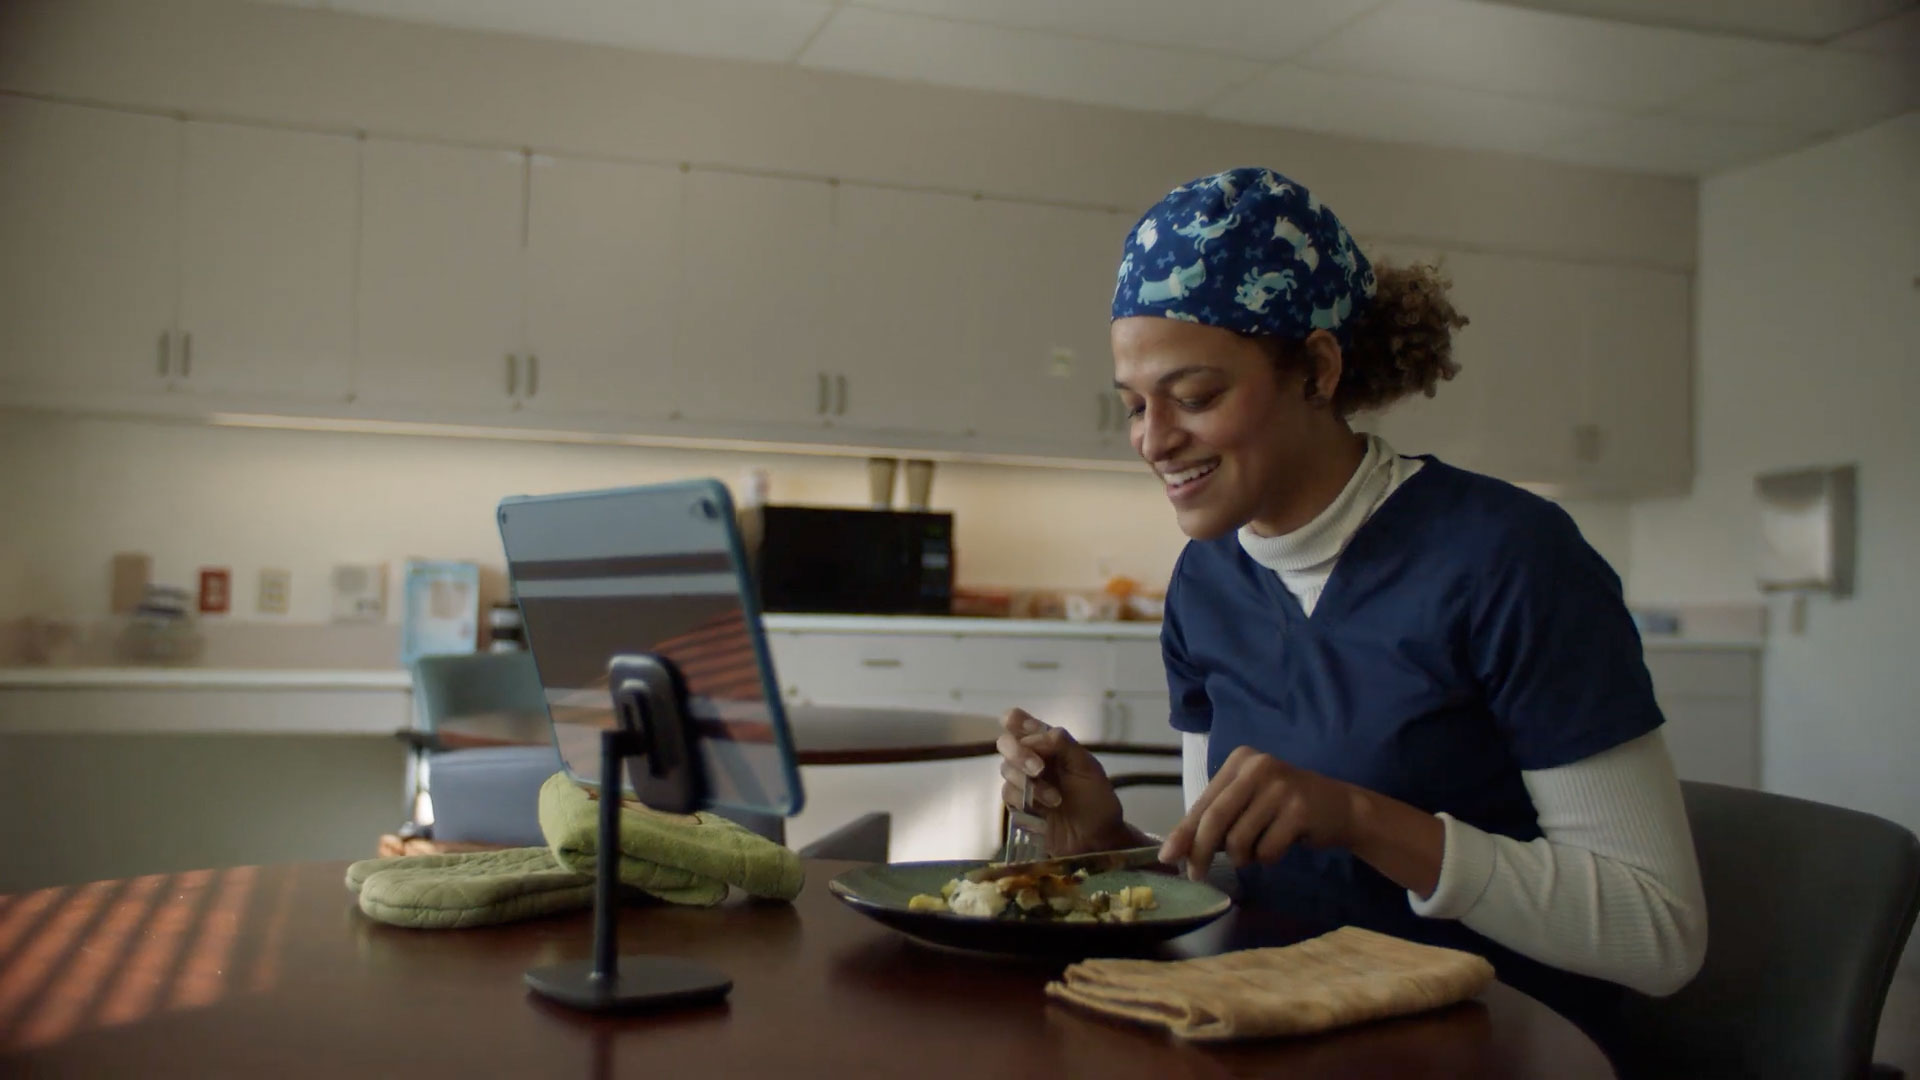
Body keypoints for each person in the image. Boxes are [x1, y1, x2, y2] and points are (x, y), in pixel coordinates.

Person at [996, 167, 1707, 1027]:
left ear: (1318, 370)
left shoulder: (1510, 559)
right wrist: (1109, 845)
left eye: (1195, 396)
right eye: (1134, 406)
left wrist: (1365, 820)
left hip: (1499, 1043)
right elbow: (1231, 885)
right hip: (1281, 1028)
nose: (1154, 440)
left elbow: (1659, 934)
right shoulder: (1206, 582)